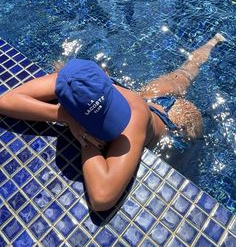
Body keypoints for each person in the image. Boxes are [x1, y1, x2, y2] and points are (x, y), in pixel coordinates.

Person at [0, 33, 225, 211]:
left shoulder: (132, 123)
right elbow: (6, 101)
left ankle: (214, 42)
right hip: (147, 99)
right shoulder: (74, 81)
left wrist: (85, 139)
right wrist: (65, 116)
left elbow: (102, 197)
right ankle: (214, 41)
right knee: (182, 75)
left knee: (186, 73)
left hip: (175, 121)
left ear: (104, 77)